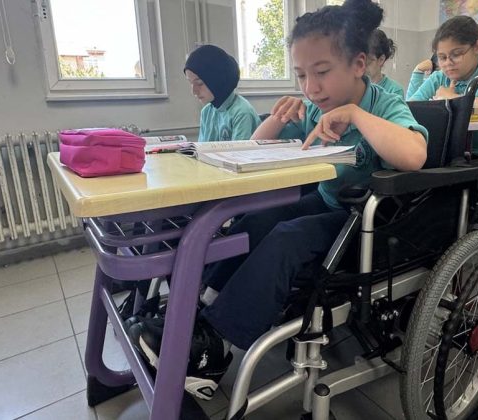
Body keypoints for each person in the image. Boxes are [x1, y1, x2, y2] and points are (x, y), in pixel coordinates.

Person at [129, 0, 428, 400]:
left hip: (365, 220)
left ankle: (213, 348)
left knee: (288, 237)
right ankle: (200, 309)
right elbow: (253, 146)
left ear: (359, 64)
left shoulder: (384, 103)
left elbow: (415, 155)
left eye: (322, 72)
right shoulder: (315, 107)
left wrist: (356, 115)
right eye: (301, 75)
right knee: (256, 219)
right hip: (326, 201)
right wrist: (279, 117)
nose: (310, 87)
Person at [407, 15, 478, 215]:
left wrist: (453, 98)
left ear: (477, 46)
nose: (448, 63)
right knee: (408, 183)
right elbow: (410, 110)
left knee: (459, 191)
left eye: (456, 54)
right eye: (442, 57)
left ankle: (451, 232)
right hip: (446, 157)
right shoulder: (438, 79)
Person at [184, 45, 260, 141]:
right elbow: (201, 148)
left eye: (199, 83)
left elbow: (240, 150)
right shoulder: (206, 112)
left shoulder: (242, 113)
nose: (194, 91)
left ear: (218, 80)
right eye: (191, 83)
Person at [366, 29, 404, 97]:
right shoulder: (354, 87)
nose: (362, 67)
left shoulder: (394, 90)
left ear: (381, 60)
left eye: (368, 62)